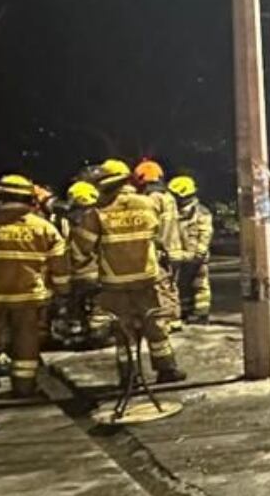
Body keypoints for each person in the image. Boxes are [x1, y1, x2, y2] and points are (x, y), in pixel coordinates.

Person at [71, 159, 187, 386]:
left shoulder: (97, 213)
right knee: (155, 324)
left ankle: (130, 377)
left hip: (114, 283)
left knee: (123, 332)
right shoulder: (147, 205)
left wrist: (87, 274)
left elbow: (81, 249)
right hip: (147, 278)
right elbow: (160, 237)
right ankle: (166, 370)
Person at [0, 174, 69, 398]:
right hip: (29, 297)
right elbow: (60, 267)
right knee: (25, 340)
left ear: (0, 196)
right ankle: (24, 388)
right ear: (29, 199)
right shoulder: (44, 228)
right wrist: (63, 293)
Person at [133, 159, 185, 331]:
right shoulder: (168, 197)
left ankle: (166, 320)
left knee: (160, 285)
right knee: (171, 284)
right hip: (175, 248)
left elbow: (151, 227)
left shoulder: (151, 199)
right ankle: (175, 317)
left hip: (161, 250)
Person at [169, 174, 215, 325]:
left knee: (200, 285)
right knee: (180, 285)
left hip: (197, 256)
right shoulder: (173, 212)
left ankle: (201, 313)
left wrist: (199, 253)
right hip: (180, 255)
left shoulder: (201, 212)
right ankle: (185, 310)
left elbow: (205, 233)